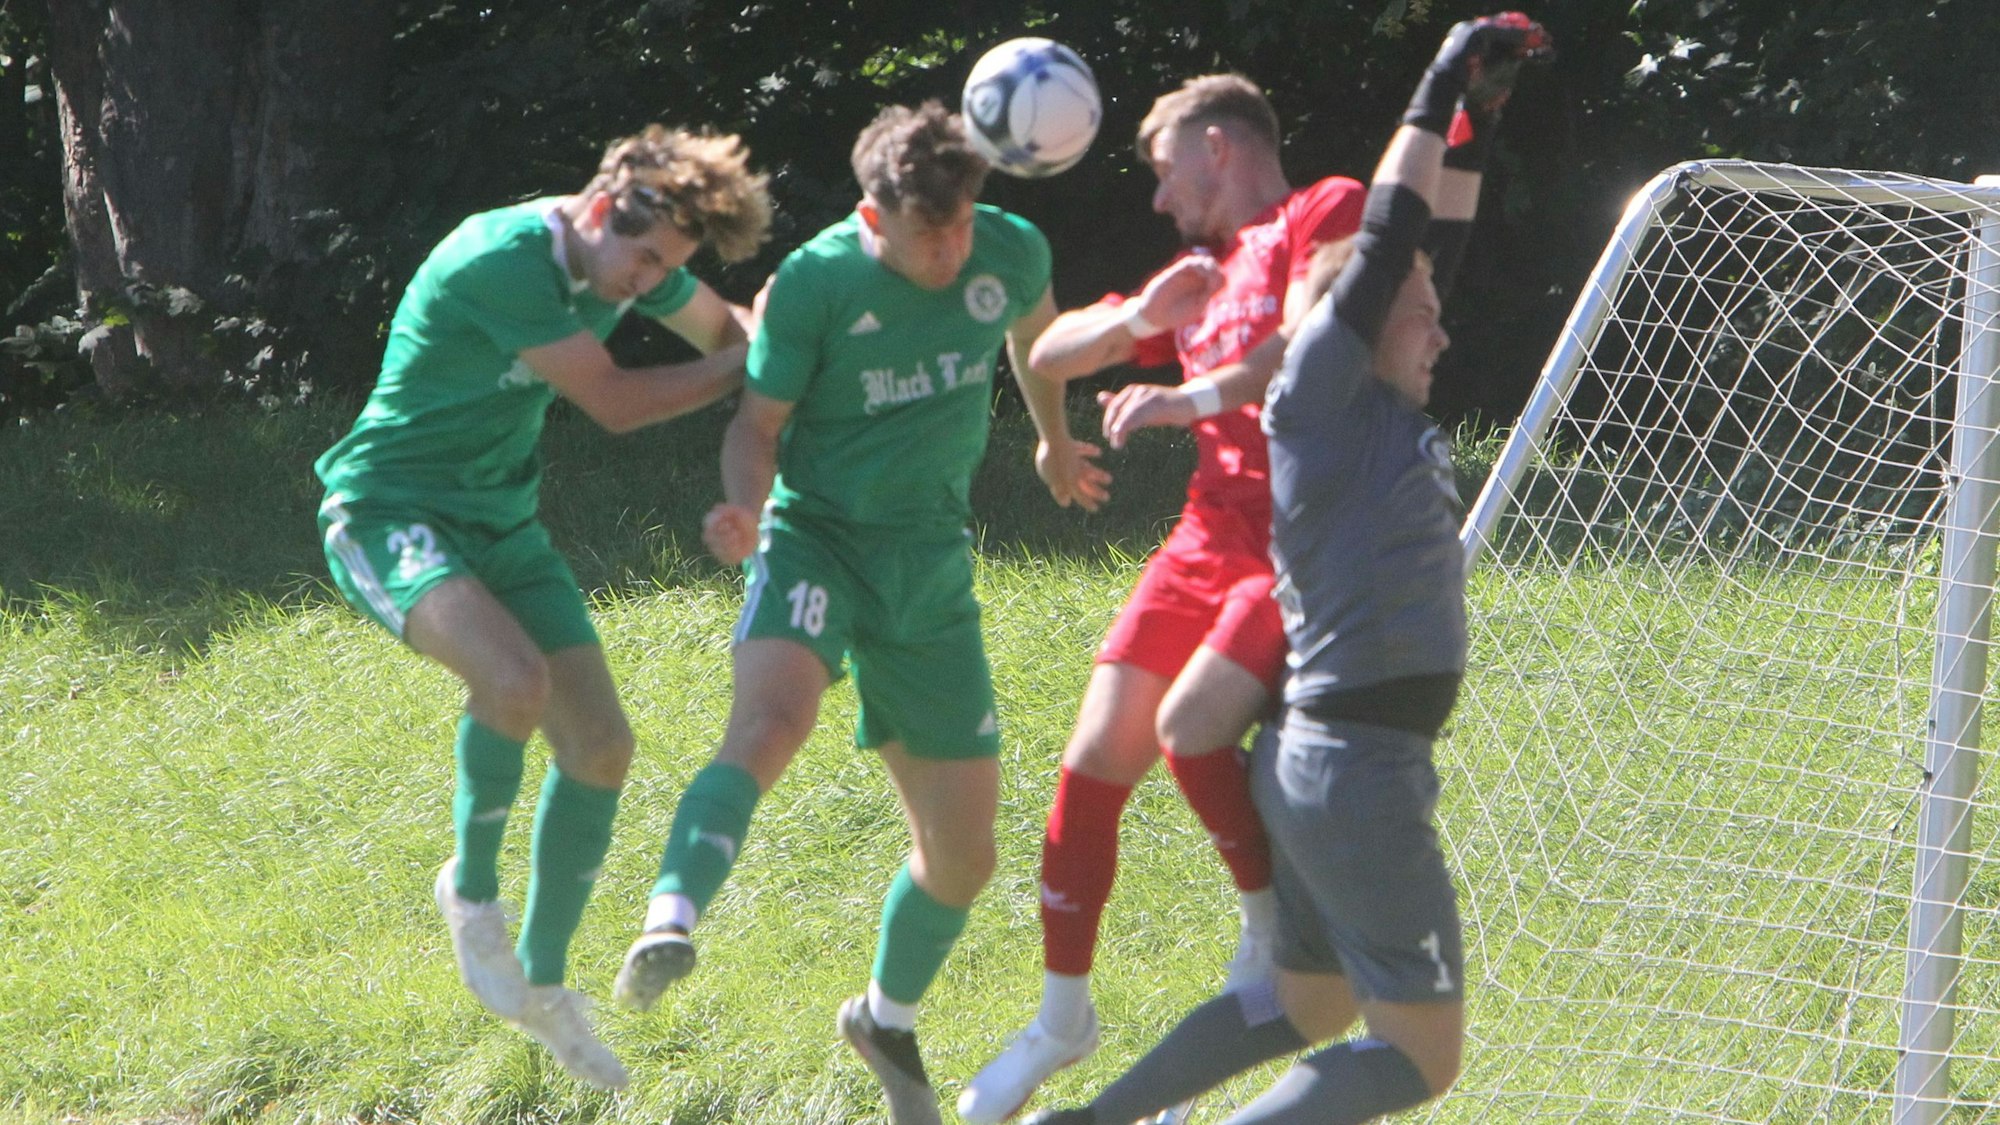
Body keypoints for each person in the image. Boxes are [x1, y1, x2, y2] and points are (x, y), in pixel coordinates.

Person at [1021, 14, 1552, 1125]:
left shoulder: (1350, 375)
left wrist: (1477, 121)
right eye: (1415, 313)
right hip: (1358, 775)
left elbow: (1429, 240)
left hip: (1309, 768)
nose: (1439, 330)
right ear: (1350, 321)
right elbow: (1398, 219)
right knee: (1415, 1057)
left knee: (1303, 1008)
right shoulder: (1320, 381)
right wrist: (1435, 82)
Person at [611, 101, 1085, 1125]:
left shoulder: (1006, 247)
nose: (950, 248)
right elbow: (756, 423)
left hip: (926, 570)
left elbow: (1035, 346)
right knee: (773, 723)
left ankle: (882, 1018)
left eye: (962, 223)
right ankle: (670, 915)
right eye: (929, 234)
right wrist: (742, 507)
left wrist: (1050, 439)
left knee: (963, 859)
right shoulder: (819, 283)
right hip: (814, 540)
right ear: (875, 218)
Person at [313, 124, 772, 1091]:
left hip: (501, 523)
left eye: (669, 268)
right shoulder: (505, 258)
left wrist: (776, 332)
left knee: (602, 747)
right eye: (643, 260)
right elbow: (613, 401)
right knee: (513, 680)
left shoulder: (632, 260)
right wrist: (748, 364)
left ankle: (547, 984)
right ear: (601, 209)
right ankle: (471, 895)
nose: (648, 283)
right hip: (389, 508)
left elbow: (724, 330)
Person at [959, 74, 1365, 1125]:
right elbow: (1045, 351)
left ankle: (1263, 934)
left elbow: (1316, 334)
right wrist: (1140, 315)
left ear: (1219, 146)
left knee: (1194, 734)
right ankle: (1060, 1018)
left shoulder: (1319, 211)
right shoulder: (1194, 273)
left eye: (1159, 168)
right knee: (1092, 759)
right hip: (1203, 535)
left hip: (1305, 538)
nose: (1154, 198)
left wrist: (1187, 391)